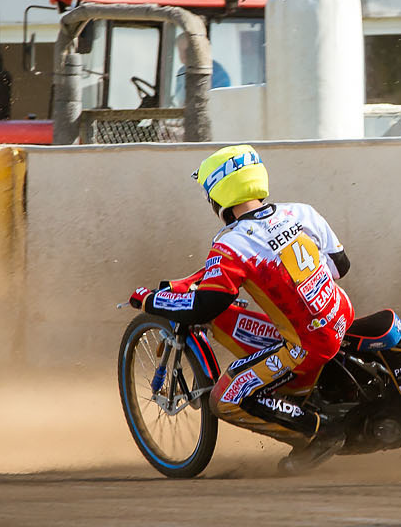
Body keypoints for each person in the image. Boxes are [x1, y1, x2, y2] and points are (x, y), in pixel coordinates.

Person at [131, 145, 358, 472]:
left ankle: (319, 432)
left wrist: (150, 300)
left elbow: (205, 306)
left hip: (307, 346)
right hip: (341, 315)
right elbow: (340, 266)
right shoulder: (300, 212)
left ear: (219, 196)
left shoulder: (232, 243)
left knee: (224, 398)